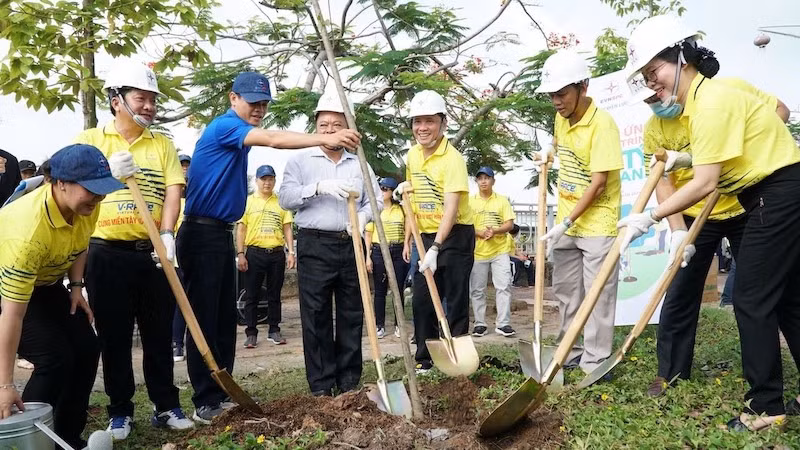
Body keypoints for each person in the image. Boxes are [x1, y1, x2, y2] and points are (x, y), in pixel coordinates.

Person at [619, 14, 800, 431]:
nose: (652, 83)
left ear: (683, 58)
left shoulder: (714, 101)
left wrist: (648, 216)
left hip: (775, 192)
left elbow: (704, 182)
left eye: (655, 71)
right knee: (786, 298)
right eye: (645, 77)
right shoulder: (701, 103)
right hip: (773, 191)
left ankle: (765, 408)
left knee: (753, 299)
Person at [178, 72, 361, 423]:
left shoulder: (236, 135)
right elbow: (274, 139)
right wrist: (327, 137)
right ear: (233, 98)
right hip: (200, 233)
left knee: (223, 318)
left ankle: (222, 392)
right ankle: (205, 398)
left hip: (220, 234)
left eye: (264, 103)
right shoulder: (224, 127)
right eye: (252, 102)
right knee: (204, 319)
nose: (259, 109)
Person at [76, 58, 193, 440]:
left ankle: (166, 405)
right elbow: (72, 189)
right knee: (114, 335)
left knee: (158, 333)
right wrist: (107, 171)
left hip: (152, 252)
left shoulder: (162, 144)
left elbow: (174, 190)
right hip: (105, 253)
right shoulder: (91, 140)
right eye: (140, 99)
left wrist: (167, 233)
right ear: (116, 100)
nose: (148, 107)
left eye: (152, 101)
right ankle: (120, 411)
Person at [0, 144, 123, 449]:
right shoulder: (28, 231)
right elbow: (12, 314)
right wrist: (4, 384)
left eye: (103, 190)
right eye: (91, 189)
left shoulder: (85, 207)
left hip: (44, 281)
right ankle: (23, 440)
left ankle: (67, 438)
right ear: (60, 183)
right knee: (53, 356)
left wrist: (77, 287)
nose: (98, 197)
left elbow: (80, 244)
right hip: (8, 285)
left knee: (86, 346)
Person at [280, 83, 379, 396]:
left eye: (337, 125)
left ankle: (349, 382)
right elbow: (285, 197)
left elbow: (373, 200)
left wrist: (363, 218)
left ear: (348, 129)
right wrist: (317, 187)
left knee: (352, 313)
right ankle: (322, 385)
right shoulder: (300, 161)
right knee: (316, 314)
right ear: (316, 127)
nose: (331, 130)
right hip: (314, 244)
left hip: (350, 244)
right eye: (324, 125)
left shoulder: (359, 163)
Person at [534, 49, 623, 378]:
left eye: (562, 94)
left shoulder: (603, 125)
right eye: (552, 96)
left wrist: (570, 221)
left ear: (583, 87)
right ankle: (569, 352)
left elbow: (599, 183)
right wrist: (548, 153)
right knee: (567, 292)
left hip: (597, 223)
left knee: (598, 296)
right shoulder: (561, 117)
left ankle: (596, 362)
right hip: (566, 224)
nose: (556, 102)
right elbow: (561, 148)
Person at [393, 90, 475, 374]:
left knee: (455, 296)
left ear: (443, 123)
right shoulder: (413, 155)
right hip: (423, 235)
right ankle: (424, 359)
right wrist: (410, 239)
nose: (422, 128)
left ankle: (456, 358)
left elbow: (451, 209)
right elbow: (412, 200)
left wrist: (437, 248)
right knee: (422, 299)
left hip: (455, 236)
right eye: (417, 122)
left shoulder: (453, 159)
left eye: (429, 121)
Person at [236, 164, 295, 348]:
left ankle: (274, 330)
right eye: (263, 179)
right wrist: (241, 253)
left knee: (274, 294)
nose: (267, 183)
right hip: (254, 253)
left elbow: (287, 228)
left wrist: (291, 252)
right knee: (251, 295)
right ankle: (251, 332)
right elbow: (241, 229)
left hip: (276, 254)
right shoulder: (247, 202)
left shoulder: (281, 202)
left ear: (274, 181)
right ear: (257, 181)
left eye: (270, 179)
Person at [468, 166, 516, 338]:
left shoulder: (502, 201)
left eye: (486, 178)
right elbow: (465, 224)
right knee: (477, 290)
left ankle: (503, 324)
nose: (483, 181)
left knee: (504, 286)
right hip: (478, 251)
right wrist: (479, 232)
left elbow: (509, 224)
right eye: (480, 178)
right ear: (476, 181)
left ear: (493, 181)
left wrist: (495, 231)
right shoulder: (470, 201)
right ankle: (480, 324)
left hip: (500, 250)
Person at [365, 177, 408, 339]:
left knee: (398, 289)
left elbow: (407, 228)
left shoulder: (401, 210)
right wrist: (367, 256)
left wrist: (406, 246)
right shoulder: (375, 209)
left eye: (385, 189)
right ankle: (379, 325)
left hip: (397, 249)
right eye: (380, 189)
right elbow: (368, 233)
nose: (382, 192)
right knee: (380, 290)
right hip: (378, 251)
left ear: (392, 192)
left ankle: (399, 324)